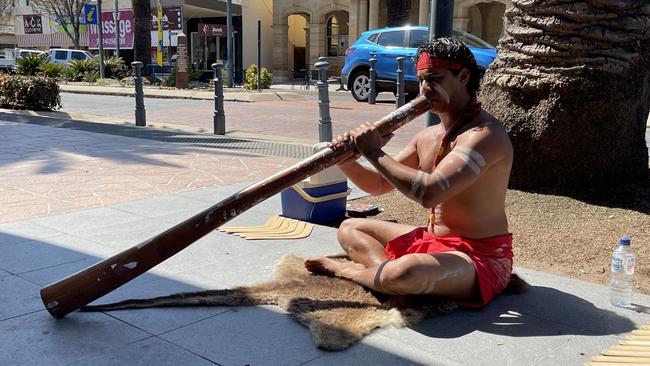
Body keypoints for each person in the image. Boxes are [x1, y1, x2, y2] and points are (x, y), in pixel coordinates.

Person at [305, 37, 515, 307]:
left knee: (406, 272)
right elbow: (379, 184)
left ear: (463, 77)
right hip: (432, 240)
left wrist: (374, 152)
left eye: (435, 78)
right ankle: (387, 280)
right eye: (422, 80)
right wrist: (346, 161)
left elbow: (430, 192)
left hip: (479, 256)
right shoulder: (427, 137)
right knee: (349, 228)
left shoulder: (485, 136)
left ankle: (357, 273)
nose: (426, 88)